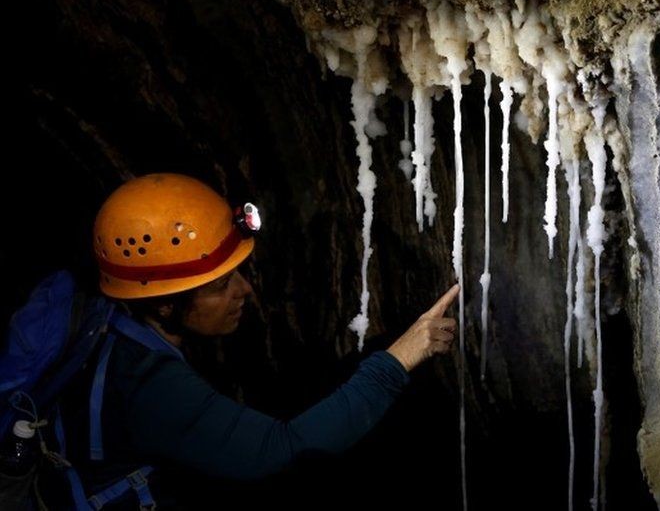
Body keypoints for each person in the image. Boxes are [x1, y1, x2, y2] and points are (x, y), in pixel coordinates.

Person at [46, 173, 459, 509]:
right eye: (221, 284)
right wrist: (397, 360)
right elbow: (280, 451)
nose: (245, 291)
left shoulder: (108, 325)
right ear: (167, 305)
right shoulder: (146, 382)